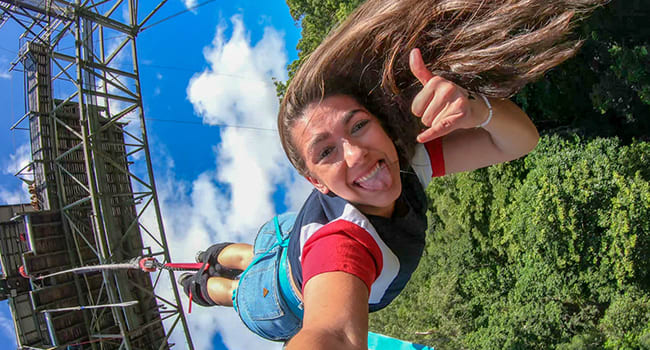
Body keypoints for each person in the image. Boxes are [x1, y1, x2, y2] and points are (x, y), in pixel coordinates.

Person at [178, 0, 606, 348]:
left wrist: (478, 109)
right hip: (278, 296)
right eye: (326, 151)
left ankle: (214, 267)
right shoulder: (344, 245)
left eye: (358, 125)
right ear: (317, 182)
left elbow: (517, 141)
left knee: (253, 266)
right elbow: (334, 333)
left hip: (292, 241)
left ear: (381, 124)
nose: (356, 153)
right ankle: (208, 283)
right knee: (243, 290)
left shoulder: (405, 160)